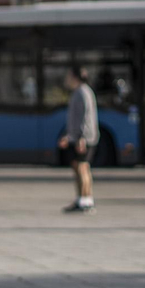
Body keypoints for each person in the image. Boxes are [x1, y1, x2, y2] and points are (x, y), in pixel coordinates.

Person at [58, 66, 99, 213]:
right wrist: (69, 136)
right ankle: (83, 199)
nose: (67, 79)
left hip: (84, 138)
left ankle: (86, 201)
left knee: (82, 168)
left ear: (75, 77)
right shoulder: (80, 92)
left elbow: (85, 117)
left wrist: (81, 138)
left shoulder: (83, 92)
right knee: (79, 166)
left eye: (69, 76)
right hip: (79, 137)